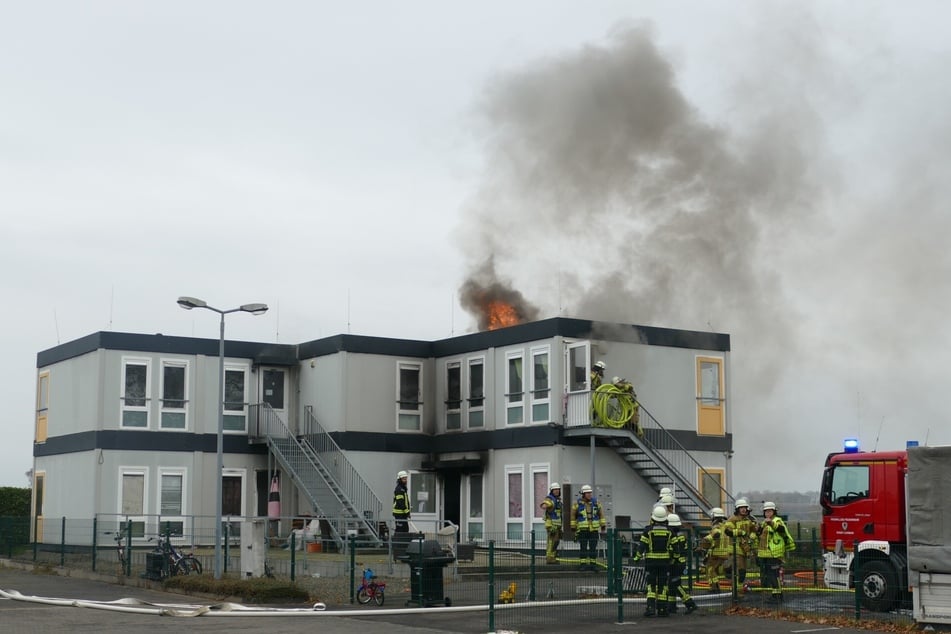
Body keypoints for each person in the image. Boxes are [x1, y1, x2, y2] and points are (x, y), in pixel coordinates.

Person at [756, 501, 796, 604]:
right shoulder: (764, 523)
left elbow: (781, 530)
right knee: (770, 575)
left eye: (770, 511)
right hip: (766, 553)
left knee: (774, 575)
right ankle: (775, 595)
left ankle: (778, 596)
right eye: (766, 511)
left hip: (774, 553)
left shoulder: (777, 521)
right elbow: (759, 535)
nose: (768, 513)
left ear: (774, 512)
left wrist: (771, 523)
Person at [638, 505, 673, 617]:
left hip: (651, 562)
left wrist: (637, 557)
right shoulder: (670, 531)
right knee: (663, 585)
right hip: (665, 562)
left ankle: (650, 608)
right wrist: (674, 558)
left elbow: (642, 545)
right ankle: (662, 609)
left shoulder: (648, 530)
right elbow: (674, 547)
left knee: (651, 584)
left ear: (653, 518)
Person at [723, 498, 759, 593]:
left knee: (742, 572)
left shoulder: (748, 519)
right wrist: (740, 532)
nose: (743, 509)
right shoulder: (733, 519)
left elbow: (754, 530)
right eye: (741, 508)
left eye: (745, 508)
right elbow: (727, 531)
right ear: (737, 509)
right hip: (735, 549)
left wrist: (753, 534)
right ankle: (737, 593)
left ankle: (738, 590)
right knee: (739, 571)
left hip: (745, 549)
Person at [666, 513, 698, 615]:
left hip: (675, 564)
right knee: (671, 585)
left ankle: (690, 603)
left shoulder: (673, 537)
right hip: (681, 563)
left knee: (675, 585)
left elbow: (672, 551)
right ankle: (671, 606)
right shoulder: (682, 536)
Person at [570, 484, 605, 571]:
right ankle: (583, 565)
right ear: (583, 494)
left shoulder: (596, 503)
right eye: (587, 493)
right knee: (583, 548)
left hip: (594, 530)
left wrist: (603, 525)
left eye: (590, 493)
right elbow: (573, 516)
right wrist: (573, 526)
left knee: (593, 548)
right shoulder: (577, 504)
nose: (589, 494)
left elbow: (601, 514)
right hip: (583, 530)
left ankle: (593, 565)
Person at [696, 507, 731, 593]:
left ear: (714, 517)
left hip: (717, 553)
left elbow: (714, 535)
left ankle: (715, 588)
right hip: (723, 552)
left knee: (710, 569)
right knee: (712, 569)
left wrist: (702, 543)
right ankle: (714, 586)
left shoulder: (716, 527)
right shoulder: (724, 526)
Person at [539, 482, 564, 564]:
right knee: (552, 541)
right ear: (551, 491)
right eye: (555, 490)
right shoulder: (550, 498)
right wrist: (545, 505)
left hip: (557, 525)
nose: (556, 491)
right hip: (551, 525)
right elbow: (546, 503)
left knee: (556, 541)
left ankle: (553, 557)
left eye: (558, 489)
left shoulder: (558, 500)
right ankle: (549, 558)